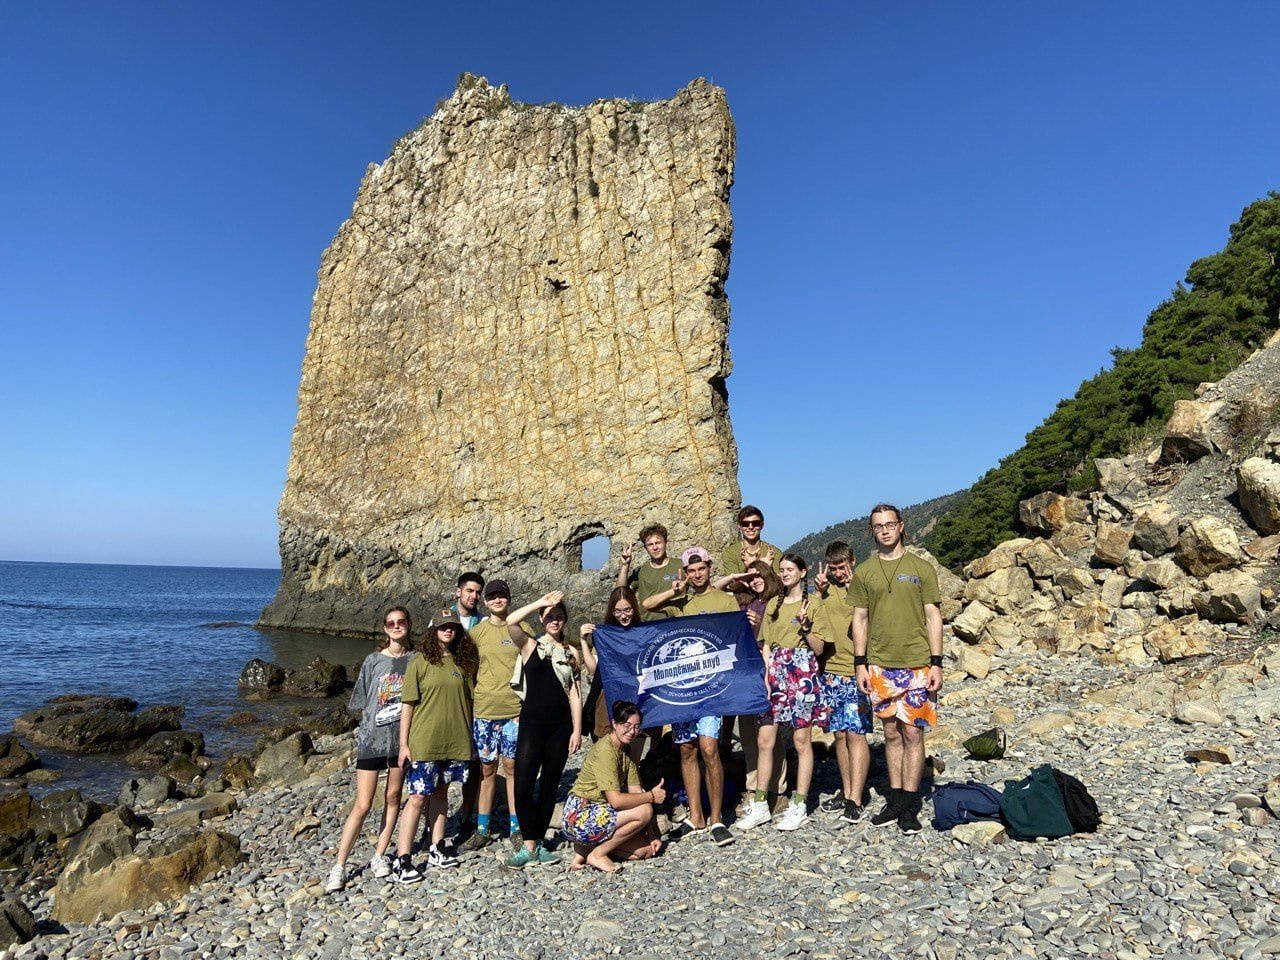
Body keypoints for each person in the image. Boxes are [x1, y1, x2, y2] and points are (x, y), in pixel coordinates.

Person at [851, 504, 943, 835]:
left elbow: (933, 615)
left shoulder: (921, 568)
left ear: (901, 526)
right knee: (890, 734)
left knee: (913, 733)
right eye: (878, 526)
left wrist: (937, 662)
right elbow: (859, 618)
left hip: (918, 663)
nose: (885, 530)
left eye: (890, 524)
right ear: (872, 531)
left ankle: (909, 805)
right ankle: (895, 799)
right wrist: (860, 663)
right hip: (879, 663)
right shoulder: (865, 571)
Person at [646, 546, 738, 848]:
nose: (697, 574)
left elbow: (736, 638)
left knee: (709, 749)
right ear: (686, 573)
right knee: (686, 750)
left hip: (712, 689)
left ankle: (716, 818)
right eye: (691, 570)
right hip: (683, 690)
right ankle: (695, 816)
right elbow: (647, 604)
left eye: (701, 569)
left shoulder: (725, 600)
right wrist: (675, 591)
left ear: (710, 568)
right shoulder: (681, 602)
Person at [326, 606, 414, 893]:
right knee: (362, 805)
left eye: (401, 621)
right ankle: (339, 866)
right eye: (391, 623)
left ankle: (379, 854)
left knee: (393, 797)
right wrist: (366, 734)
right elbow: (363, 704)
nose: (396, 626)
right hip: (371, 742)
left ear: (408, 625)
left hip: (401, 742)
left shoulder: (416, 659)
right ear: (385, 629)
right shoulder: (373, 660)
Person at [737, 553, 825, 832]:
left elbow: (819, 648)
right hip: (775, 670)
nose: (785, 573)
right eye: (782, 570)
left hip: (802, 671)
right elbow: (765, 644)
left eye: (790, 569)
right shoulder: (773, 603)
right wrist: (766, 676)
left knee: (801, 741)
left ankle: (799, 805)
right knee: (765, 739)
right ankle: (761, 804)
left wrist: (806, 627)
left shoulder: (813, 604)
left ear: (802, 572)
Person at [391, 609, 479, 881]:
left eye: (453, 626)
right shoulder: (419, 661)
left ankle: (437, 847)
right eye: (443, 627)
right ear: (434, 630)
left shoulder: (463, 663)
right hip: (424, 742)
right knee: (417, 798)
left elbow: (469, 703)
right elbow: (407, 705)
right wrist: (403, 744)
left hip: (455, 742)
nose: (448, 630)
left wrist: (470, 740)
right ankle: (402, 859)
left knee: (442, 793)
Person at [503, 591, 583, 869]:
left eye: (559, 616)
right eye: (549, 617)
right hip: (531, 724)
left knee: (550, 786)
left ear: (565, 620)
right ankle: (528, 844)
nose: (555, 621)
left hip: (560, 726)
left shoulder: (571, 652)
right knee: (523, 785)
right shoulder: (530, 646)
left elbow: (575, 693)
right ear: (541, 619)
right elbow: (511, 622)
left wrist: (577, 730)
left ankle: (536, 844)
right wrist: (540, 603)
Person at [460, 579, 535, 850]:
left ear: (509, 598)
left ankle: (516, 827)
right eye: (492, 597)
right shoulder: (477, 633)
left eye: (501, 596)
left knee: (512, 768)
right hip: (484, 711)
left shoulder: (522, 628)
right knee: (487, 770)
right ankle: (482, 828)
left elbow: (533, 670)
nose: (497, 600)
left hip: (514, 711)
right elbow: (467, 673)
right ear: (485, 601)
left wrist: (527, 708)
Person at [562, 700, 667, 873]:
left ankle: (587, 848)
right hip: (580, 814)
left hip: (600, 811)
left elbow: (637, 793)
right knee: (644, 811)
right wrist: (652, 796)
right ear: (614, 723)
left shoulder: (626, 751)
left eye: (636, 727)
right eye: (626, 725)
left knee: (644, 851)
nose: (632, 731)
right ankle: (598, 854)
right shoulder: (606, 751)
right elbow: (616, 801)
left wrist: (652, 835)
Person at [811, 541, 874, 823]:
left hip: (856, 669)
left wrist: (853, 589)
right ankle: (846, 791)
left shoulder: (863, 586)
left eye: (842, 567)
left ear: (853, 561)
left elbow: (872, 621)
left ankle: (856, 798)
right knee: (838, 734)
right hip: (830, 670)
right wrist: (818, 592)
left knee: (856, 733)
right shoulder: (825, 589)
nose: (838, 573)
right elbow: (813, 620)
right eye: (833, 568)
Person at [716, 559, 786, 807]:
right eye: (751, 577)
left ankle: (777, 790)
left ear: (768, 575)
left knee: (770, 734)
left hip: (770, 670)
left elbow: (782, 635)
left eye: (759, 575)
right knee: (748, 735)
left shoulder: (778, 601)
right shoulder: (742, 600)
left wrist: (761, 624)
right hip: (746, 671)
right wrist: (736, 577)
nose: (756, 580)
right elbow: (713, 590)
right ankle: (753, 786)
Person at [580, 586, 643, 743]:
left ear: (634, 607)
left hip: (636, 696)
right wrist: (583, 640)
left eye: (627, 609)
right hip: (609, 696)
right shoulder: (605, 634)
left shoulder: (644, 632)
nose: (623, 616)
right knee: (607, 746)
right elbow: (593, 669)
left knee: (633, 744)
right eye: (617, 611)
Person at [616, 524, 683, 621]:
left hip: (677, 623)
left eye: (658, 543)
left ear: (666, 542)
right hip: (648, 626)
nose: (655, 547)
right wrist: (625, 565)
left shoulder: (680, 565)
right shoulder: (641, 571)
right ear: (645, 548)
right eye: (650, 544)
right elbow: (619, 593)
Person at [718, 505, 785, 576]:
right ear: (739, 526)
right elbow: (733, 582)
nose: (750, 527)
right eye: (745, 524)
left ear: (762, 525)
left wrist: (769, 568)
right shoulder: (731, 553)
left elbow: (780, 581)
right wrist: (751, 567)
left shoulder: (774, 553)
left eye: (755, 523)